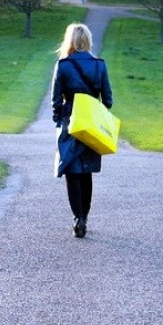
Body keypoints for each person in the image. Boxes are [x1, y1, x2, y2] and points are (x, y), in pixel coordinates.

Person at [51, 23, 113, 238]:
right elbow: (109, 100)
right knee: (86, 171)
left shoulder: (63, 65)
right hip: (91, 123)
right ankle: (84, 216)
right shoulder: (99, 65)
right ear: (87, 41)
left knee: (71, 170)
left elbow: (55, 101)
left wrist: (59, 121)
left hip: (70, 122)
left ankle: (77, 216)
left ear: (69, 41)